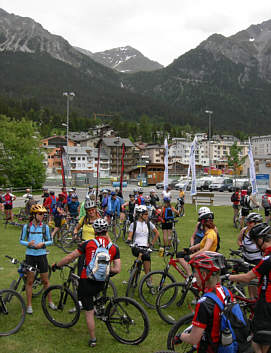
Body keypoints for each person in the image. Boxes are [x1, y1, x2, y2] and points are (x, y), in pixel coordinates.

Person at [52, 218, 121, 348]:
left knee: (88, 311)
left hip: (86, 281)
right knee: (96, 296)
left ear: (94, 230)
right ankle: (99, 307)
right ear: (106, 231)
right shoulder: (113, 247)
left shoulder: (88, 244)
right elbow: (117, 269)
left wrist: (57, 264)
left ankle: (93, 339)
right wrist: (106, 270)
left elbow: (70, 257)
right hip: (101, 282)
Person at [174, 251, 230, 352]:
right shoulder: (225, 291)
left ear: (204, 275)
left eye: (195, 274)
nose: (195, 278)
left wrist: (180, 336)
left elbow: (193, 339)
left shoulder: (204, 303)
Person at [228, 222, 271, 353]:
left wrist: (229, 276)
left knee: (259, 340)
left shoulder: (268, 258)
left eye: (254, 241)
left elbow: (247, 278)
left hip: (266, 302)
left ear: (260, 239)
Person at [20, 204, 55, 314]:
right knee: (30, 281)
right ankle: (29, 305)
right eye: (40, 214)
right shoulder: (27, 227)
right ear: (34, 215)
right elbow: (21, 240)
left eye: (43, 214)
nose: (42, 216)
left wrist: (43, 243)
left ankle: (50, 301)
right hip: (30, 256)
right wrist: (28, 243)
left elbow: (51, 241)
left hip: (42, 256)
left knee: (45, 281)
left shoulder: (45, 227)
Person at [176, 210, 219, 276]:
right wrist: (191, 248)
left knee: (185, 258)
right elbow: (201, 244)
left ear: (203, 223)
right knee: (180, 254)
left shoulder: (210, 234)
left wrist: (191, 256)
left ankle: (192, 276)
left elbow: (205, 249)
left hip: (206, 258)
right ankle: (191, 276)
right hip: (203, 256)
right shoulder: (208, 232)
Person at [126, 205, 160, 276]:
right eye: (145, 214)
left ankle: (148, 277)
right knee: (144, 255)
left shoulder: (148, 223)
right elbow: (130, 236)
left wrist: (151, 244)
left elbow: (157, 233)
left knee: (146, 257)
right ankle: (134, 276)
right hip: (136, 247)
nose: (147, 216)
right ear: (140, 215)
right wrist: (128, 240)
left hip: (146, 247)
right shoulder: (133, 224)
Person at [237, 212, 263, 299]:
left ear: (257, 223)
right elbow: (239, 240)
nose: (248, 224)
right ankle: (251, 297)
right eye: (247, 222)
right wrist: (241, 246)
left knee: (256, 279)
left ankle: (256, 297)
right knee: (248, 279)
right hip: (246, 257)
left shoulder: (261, 233)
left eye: (250, 222)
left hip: (257, 259)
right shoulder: (244, 230)